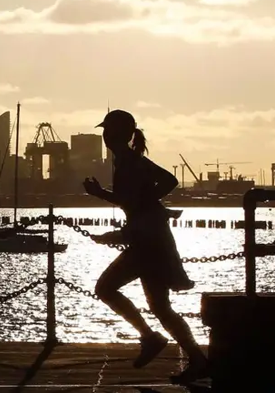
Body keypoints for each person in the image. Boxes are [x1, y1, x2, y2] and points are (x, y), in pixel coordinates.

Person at [82, 109, 209, 383]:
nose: (104, 136)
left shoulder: (129, 161)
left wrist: (136, 203)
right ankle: (197, 359)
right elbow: (144, 193)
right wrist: (109, 196)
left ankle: (150, 337)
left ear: (120, 134)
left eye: (108, 131)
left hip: (146, 243)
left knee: (105, 289)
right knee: (161, 307)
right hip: (151, 240)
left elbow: (153, 190)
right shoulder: (128, 160)